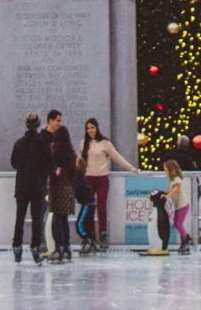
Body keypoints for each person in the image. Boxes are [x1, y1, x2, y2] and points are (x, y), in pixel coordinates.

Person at [78, 117, 137, 252]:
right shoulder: (83, 144)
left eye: (92, 127)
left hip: (102, 179)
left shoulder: (105, 143)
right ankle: (89, 236)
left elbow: (117, 157)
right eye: (88, 128)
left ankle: (103, 234)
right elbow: (79, 161)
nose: (90, 130)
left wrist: (131, 168)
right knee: (88, 208)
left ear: (97, 128)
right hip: (88, 179)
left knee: (101, 206)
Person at [10, 111, 52, 264]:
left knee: (19, 218)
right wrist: (41, 174)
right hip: (37, 186)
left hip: (22, 186)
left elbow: (14, 163)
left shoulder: (19, 143)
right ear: (38, 125)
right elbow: (49, 164)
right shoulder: (42, 144)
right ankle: (35, 246)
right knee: (36, 218)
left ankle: (17, 247)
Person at [47, 114, 78, 262]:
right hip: (68, 187)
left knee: (57, 219)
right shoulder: (71, 153)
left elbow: (50, 166)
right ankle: (67, 247)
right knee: (63, 218)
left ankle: (58, 248)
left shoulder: (54, 149)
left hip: (57, 186)